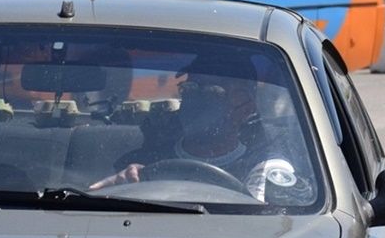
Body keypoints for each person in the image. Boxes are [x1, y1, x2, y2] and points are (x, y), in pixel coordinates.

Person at [89, 56, 312, 204]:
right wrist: (120, 188)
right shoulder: (142, 162)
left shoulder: (262, 169)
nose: (196, 98)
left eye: (212, 91)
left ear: (245, 106)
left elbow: (272, 229)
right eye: (190, 88)